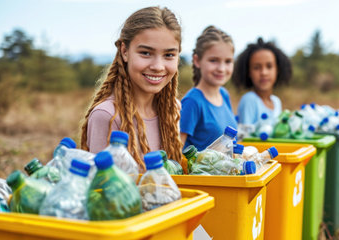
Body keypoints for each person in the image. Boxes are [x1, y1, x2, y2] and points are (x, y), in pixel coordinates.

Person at [80, 6, 183, 170]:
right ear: (125, 51)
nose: (158, 66)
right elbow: (101, 188)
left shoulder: (173, 109)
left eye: (169, 55)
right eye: (146, 53)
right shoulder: (108, 116)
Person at [180, 25, 237, 151]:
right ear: (197, 60)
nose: (221, 68)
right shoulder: (192, 102)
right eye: (213, 60)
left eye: (228, 61)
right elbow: (176, 153)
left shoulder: (224, 94)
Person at [232, 37, 292, 125]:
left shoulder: (276, 101)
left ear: (278, 69)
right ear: (248, 72)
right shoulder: (249, 100)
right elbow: (245, 136)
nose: (264, 72)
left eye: (269, 66)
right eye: (256, 67)